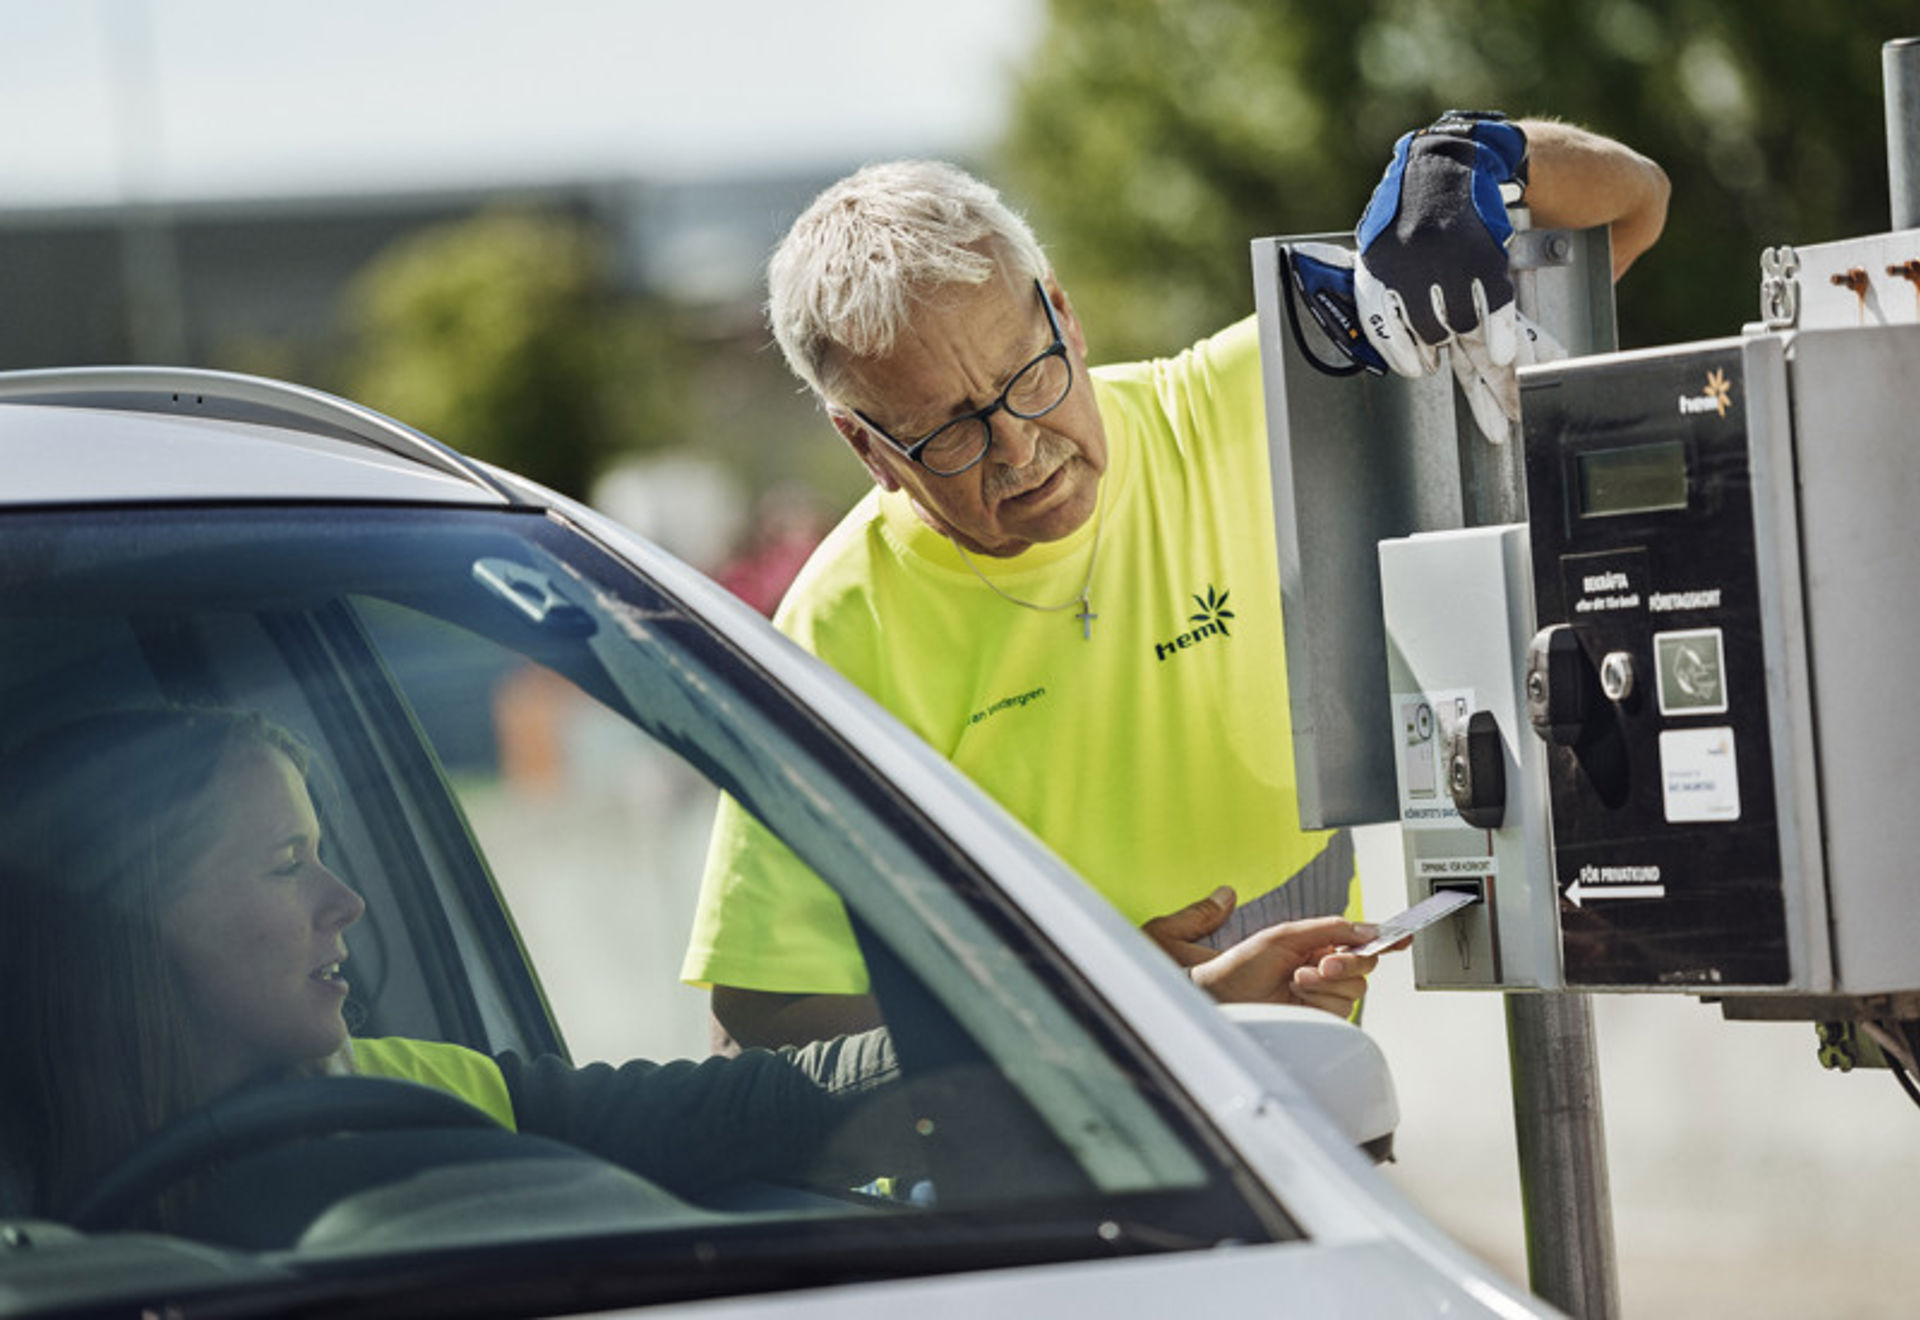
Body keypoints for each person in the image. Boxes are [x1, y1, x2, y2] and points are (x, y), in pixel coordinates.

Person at [682, 116, 1669, 1050]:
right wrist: (1132, 1008)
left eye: (1029, 376)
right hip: (1019, 1212)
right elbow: (760, 1038)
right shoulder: (841, 625)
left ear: (1060, 310)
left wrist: (1473, 153)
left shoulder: (1249, 414)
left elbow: (1631, 205)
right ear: (866, 446)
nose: (1020, 449)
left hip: (1312, 1142)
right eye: (949, 431)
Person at [0, 707, 898, 1229]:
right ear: (127, 926)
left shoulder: (409, 1083)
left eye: (323, 853)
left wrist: (950, 1055)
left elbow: (720, 1113)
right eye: (285, 865)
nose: (347, 900)